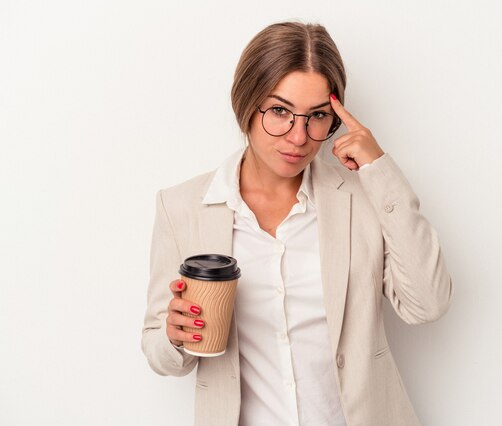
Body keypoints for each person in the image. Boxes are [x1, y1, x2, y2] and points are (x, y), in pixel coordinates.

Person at [142, 21, 453, 426]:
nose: (298, 136)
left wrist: (379, 170)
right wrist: (175, 336)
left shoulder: (363, 197)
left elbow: (426, 305)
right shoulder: (183, 207)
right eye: (279, 111)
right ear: (246, 106)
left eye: (318, 116)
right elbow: (160, 352)